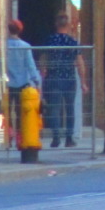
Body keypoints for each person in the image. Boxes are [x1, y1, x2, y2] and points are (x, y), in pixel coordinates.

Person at [40, 11, 88, 148]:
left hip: (53, 77)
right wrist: (83, 82)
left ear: (56, 24)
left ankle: (56, 138)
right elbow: (80, 63)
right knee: (69, 109)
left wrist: (43, 72)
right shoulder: (72, 41)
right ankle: (69, 138)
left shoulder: (50, 40)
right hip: (69, 78)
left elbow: (43, 58)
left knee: (54, 109)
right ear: (68, 25)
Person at [5, 19, 42, 148]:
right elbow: (30, 65)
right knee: (21, 112)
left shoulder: (4, 46)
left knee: (8, 111)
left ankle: (8, 135)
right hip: (23, 83)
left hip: (8, 83)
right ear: (20, 30)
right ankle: (20, 138)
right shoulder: (25, 46)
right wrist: (36, 81)